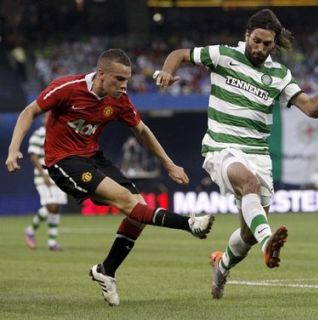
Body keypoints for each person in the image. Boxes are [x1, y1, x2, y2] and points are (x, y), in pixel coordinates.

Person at [154, 9, 318, 299]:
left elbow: (312, 109)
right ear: (247, 35)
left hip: (258, 154)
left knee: (247, 235)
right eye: (256, 41)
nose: (260, 48)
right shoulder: (223, 55)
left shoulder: (279, 74)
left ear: (273, 44)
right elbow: (179, 53)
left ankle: (222, 265)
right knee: (249, 185)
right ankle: (269, 242)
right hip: (222, 147)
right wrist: (168, 70)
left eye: (267, 44)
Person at [5, 48, 214, 306]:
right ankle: (189, 224)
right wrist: (14, 149)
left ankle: (106, 271)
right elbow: (29, 112)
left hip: (94, 157)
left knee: (138, 212)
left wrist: (169, 164)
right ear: (101, 75)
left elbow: (142, 130)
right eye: (119, 79)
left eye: (127, 79)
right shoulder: (67, 87)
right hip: (63, 161)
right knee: (129, 202)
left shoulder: (120, 100)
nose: (125, 85)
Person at [24, 114, 68, 251]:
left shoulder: (60, 134)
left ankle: (51, 242)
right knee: (51, 206)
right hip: (43, 176)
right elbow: (33, 155)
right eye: (47, 117)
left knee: (56, 207)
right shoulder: (38, 135)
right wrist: (43, 174)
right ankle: (31, 231)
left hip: (58, 175)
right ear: (44, 119)